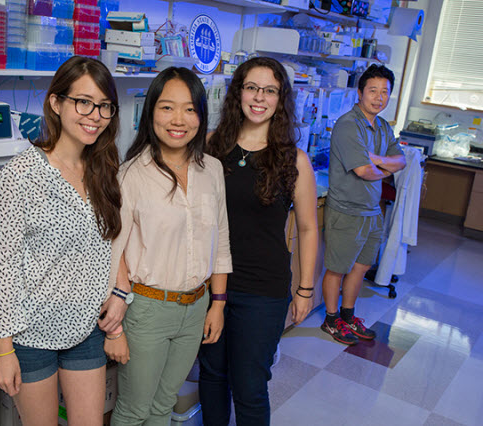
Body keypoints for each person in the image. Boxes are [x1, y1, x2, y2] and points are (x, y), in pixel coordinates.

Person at [0, 56, 123, 426]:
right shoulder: (20, 174)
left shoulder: (103, 169)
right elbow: (6, 265)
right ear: (56, 103)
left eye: (104, 106)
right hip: (31, 334)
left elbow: (112, 245)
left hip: (85, 327)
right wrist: (4, 348)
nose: (94, 115)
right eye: (83, 102)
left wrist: (119, 303)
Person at [106, 67, 232, 426]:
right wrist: (115, 329)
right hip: (147, 308)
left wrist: (217, 304)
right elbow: (114, 252)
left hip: (197, 306)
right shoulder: (131, 174)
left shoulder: (213, 170)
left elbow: (220, 239)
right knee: (134, 410)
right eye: (167, 107)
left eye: (190, 109)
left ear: (201, 115)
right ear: (151, 113)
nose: (179, 119)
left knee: (164, 405)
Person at [199, 57, 319, 425]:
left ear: (281, 99)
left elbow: (309, 228)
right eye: (252, 87)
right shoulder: (210, 146)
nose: (259, 97)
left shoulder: (293, 160)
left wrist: (304, 289)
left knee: (249, 385)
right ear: (238, 93)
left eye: (270, 90)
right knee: (212, 378)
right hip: (210, 286)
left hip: (262, 290)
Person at [320, 64, 406, 345]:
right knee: (337, 268)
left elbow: (401, 161)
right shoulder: (348, 125)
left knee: (360, 267)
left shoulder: (381, 126)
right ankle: (331, 321)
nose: (379, 97)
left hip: (372, 210)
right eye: (373, 91)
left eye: (385, 92)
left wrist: (377, 160)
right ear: (359, 93)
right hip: (346, 210)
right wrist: (383, 168)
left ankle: (347, 316)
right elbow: (363, 171)